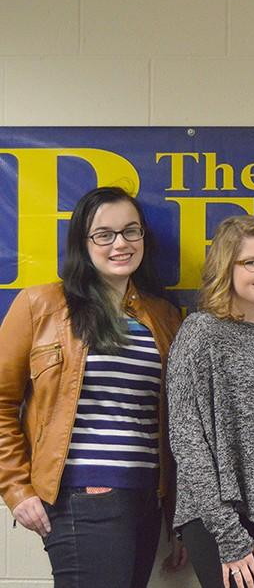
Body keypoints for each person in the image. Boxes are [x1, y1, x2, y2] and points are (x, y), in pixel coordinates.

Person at [0, 186, 186, 587]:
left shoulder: (164, 315)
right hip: (81, 497)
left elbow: (179, 421)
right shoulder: (41, 305)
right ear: (83, 244)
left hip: (145, 500)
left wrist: (177, 513)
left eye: (130, 231)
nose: (120, 244)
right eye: (104, 234)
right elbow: (1, 401)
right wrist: (16, 488)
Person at [167, 215, 254, 588]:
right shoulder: (199, 332)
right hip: (220, 518)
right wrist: (228, 534)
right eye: (253, 262)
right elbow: (187, 440)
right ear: (226, 269)